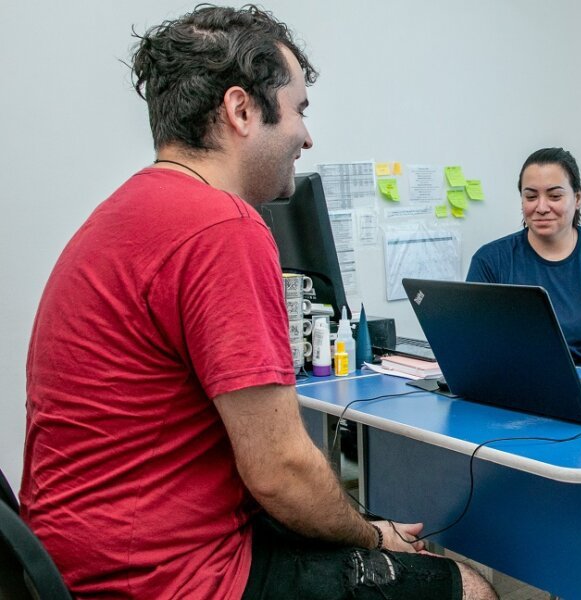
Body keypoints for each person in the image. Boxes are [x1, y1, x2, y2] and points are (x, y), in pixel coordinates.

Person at [19, 6, 496, 599]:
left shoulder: (118, 215)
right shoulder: (222, 226)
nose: (307, 135)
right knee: (466, 586)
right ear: (242, 110)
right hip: (167, 580)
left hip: (81, 563)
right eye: (298, 110)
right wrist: (373, 538)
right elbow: (281, 473)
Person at [467, 148, 581, 370]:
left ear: (577, 198)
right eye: (531, 196)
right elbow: (473, 344)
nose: (542, 207)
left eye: (555, 196)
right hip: (528, 382)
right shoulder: (491, 261)